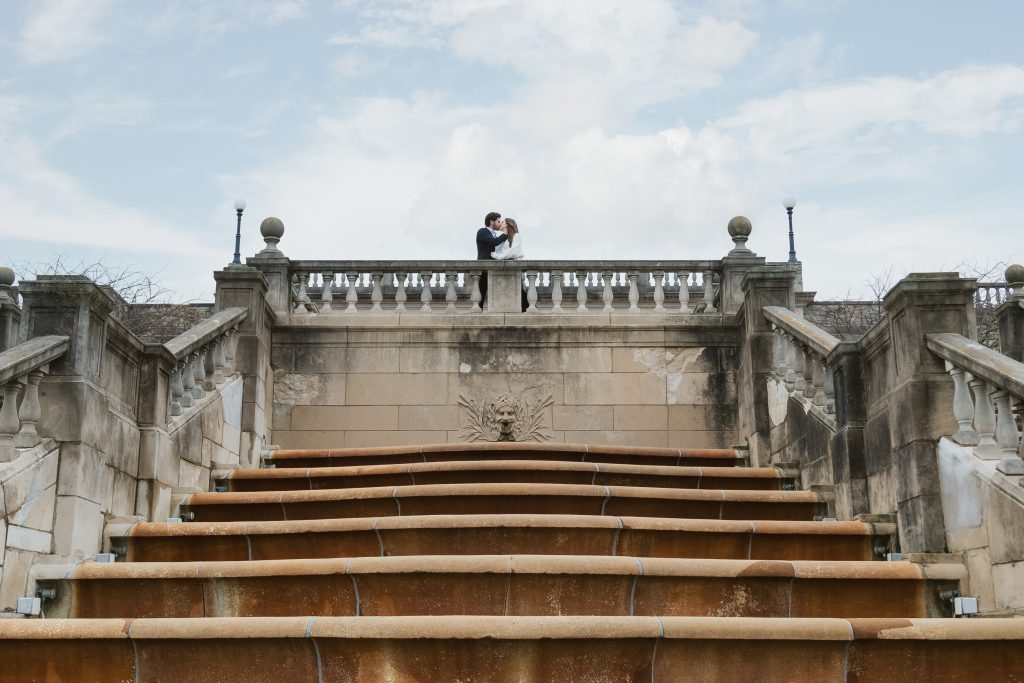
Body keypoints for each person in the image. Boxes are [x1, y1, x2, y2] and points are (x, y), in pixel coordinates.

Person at [491, 217, 528, 311]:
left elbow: (514, 251)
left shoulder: (516, 235)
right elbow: (497, 249)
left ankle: (528, 309)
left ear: (507, 224)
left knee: (518, 291)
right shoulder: (505, 238)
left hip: (514, 267)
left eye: (502, 222)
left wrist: (497, 256)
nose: (500, 223)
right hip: (505, 268)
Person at [476, 211, 508, 308]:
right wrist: (506, 233)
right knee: (481, 291)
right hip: (484, 267)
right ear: (491, 221)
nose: (499, 224)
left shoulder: (494, 234)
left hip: (494, 267)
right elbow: (494, 242)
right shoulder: (482, 231)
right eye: (498, 221)